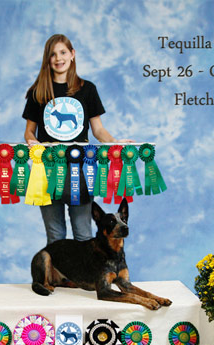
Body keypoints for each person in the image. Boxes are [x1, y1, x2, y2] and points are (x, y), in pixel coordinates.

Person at [22, 34, 134, 245]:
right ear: (47, 59)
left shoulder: (87, 89)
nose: (58, 58)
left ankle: (84, 279)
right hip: (47, 170)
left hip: (80, 172)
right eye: (52, 54)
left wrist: (114, 143)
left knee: (83, 235)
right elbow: (29, 132)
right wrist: (31, 142)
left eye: (63, 52)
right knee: (55, 237)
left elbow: (98, 129)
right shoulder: (39, 92)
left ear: (72, 55)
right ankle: (57, 279)